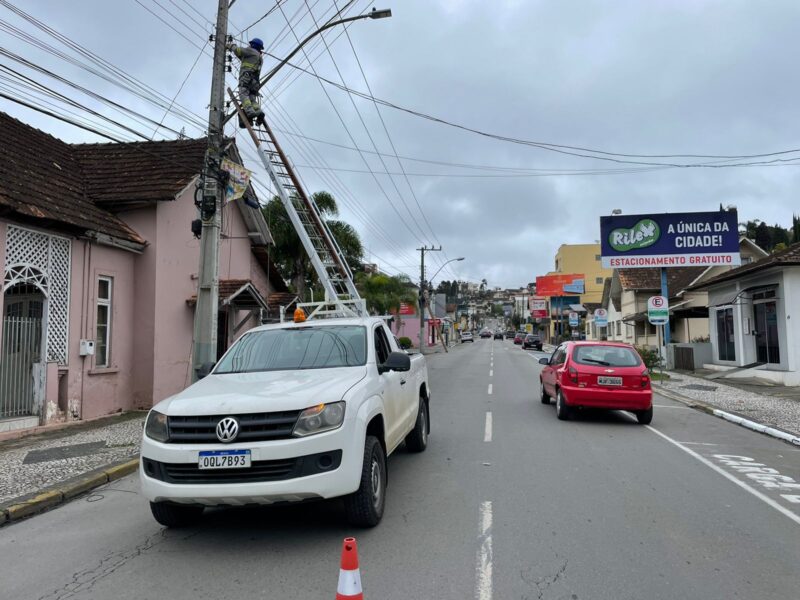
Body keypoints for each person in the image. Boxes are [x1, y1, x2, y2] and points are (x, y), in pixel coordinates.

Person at [227, 37, 266, 127]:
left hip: (247, 78)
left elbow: (238, 51)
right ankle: (258, 112)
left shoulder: (251, 51)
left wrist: (231, 45)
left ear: (253, 45)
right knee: (252, 99)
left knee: (243, 94)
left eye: (251, 44)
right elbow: (243, 57)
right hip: (255, 82)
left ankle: (250, 113)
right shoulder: (259, 58)